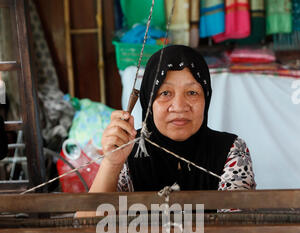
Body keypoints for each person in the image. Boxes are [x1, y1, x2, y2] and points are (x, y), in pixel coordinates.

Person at [76, 45, 255, 217]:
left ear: (206, 98)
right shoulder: (127, 148)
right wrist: (112, 163)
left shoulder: (231, 151)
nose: (179, 107)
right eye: (165, 93)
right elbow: (85, 230)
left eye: (192, 92)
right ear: (148, 101)